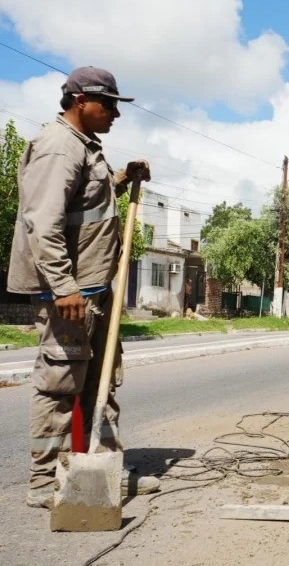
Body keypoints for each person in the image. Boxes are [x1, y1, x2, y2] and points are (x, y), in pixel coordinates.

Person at [7, 66, 160, 508]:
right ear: (81, 102)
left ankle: (104, 471)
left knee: (101, 381)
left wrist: (123, 178)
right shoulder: (58, 147)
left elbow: (86, 203)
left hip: (92, 289)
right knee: (59, 383)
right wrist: (63, 287)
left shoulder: (83, 145)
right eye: (108, 104)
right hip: (70, 294)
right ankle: (45, 482)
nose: (115, 113)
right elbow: (44, 224)